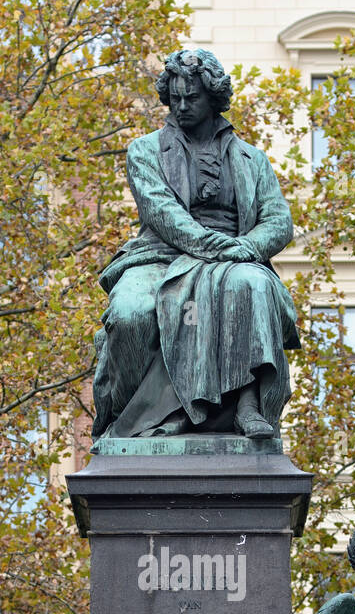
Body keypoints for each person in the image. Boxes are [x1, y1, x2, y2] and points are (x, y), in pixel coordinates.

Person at [92, 48, 300, 441]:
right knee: (130, 313)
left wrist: (247, 248)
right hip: (162, 255)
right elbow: (162, 213)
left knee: (251, 285)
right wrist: (216, 246)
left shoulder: (252, 159)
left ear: (214, 97)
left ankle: (248, 403)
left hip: (235, 258)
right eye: (174, 98)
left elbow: (278, 220)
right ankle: (128, 422)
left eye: (192, 98)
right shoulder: (145, 150)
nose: (181, 106)